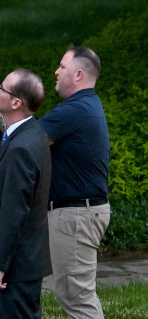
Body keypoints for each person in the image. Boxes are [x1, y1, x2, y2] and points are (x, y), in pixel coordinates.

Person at [40, 46, 111, 319]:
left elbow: (25, 141)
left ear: (78, 74)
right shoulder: (84, 107)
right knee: (77, 295)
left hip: (76, 216)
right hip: (81, 213)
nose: (56, 72)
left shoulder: (75, 110)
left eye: (62, 66)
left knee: (77, 299)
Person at [0, 69, 52, 319]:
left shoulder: (21, 146)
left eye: (2, 88)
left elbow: (15, 211)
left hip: (16, 268)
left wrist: (0, 265)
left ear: (17, 102)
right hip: (25, 263)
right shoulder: (30, 134)